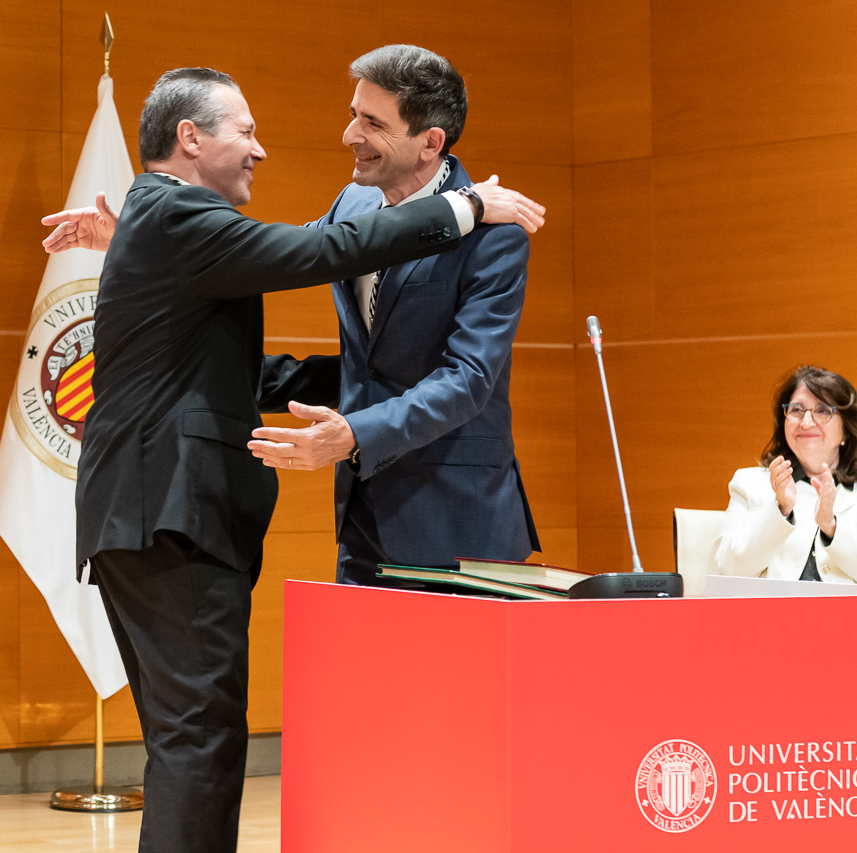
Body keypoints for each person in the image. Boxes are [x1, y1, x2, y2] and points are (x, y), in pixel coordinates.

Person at [68, 67, 544, 853]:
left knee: (192, 738)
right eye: (246, 132)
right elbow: (321, 249)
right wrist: (463, 207)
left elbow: (230, 364)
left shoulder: (160, 220)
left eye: (370, 120)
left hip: (172, 511)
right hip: (171, 513)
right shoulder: (181, 213)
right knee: (200, 740)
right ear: (191, 138)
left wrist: (360, 414)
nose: (264, 149)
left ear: (429, 140)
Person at [46, 45, 539, 584]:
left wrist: (354, 434)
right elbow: (281, 255)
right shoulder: (353, 202)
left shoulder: (495, 234)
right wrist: (147, 243)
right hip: (362, 515)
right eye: (353, 114)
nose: (349, 135)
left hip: (457, 514)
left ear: (430, 142)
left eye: (372, 123)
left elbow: (469, 379)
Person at [712, 366, 857, 585]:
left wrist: (831, 526)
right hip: (774, 607)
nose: (806, 422)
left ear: (846, 430)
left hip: (850, 608)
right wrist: (781, 510)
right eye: (796, 410)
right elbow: (729, 570)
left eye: (823, 411)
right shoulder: (749, 482)